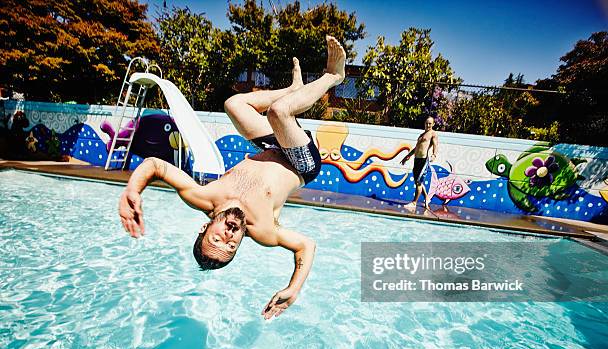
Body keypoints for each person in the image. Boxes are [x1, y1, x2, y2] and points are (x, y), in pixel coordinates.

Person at [118, 35, 346, 320]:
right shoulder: (263, 230)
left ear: (204, 227)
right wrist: (294, 288)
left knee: (234, 105)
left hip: (273, 145)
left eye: (217, 239)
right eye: (231, 246)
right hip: (302, 164)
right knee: (279, 112)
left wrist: (133, 190)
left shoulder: (201, 196)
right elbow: (306, 245)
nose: (228, 237)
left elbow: (155, 165)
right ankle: (333, 76)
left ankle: (292, 89)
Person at [400, 116, 439, 210]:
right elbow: (416, 148)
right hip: (416, 160)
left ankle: (414, 202)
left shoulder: (433, 134)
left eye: (430, 123)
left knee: (418, 183)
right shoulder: (421, 135)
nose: (428, 125)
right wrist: (407, 156)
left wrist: (434, 154)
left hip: (423, 160)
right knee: (418, 182)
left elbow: (435, 145)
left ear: (433, 124)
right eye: (426, 123)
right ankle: (426, 198)